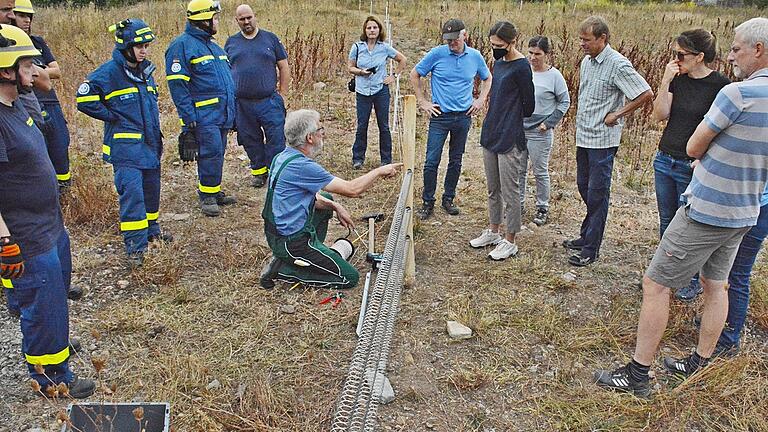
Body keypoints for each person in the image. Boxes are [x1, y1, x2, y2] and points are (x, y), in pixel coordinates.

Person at [594, 17, 768, 397]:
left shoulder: (736, 94)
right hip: (745, 210)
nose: (733, 54)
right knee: (716, 284)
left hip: (707, 207)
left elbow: (693, 146)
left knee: (656, 284)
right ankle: (700, 361)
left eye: (737, 47)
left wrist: (709, 152)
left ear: (759, 50)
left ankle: (638, 373)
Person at [0, 23, 95, 398]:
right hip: (26, 236)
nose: (35, 71)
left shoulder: (17, 103)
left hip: (50, 226)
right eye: (26, 65)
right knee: (42, 306)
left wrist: (37, 82)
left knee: (55, 297)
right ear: (5, 70)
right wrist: (4, 239)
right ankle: (49, 378)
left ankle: (57, 352)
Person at [259, 109, 401, 290]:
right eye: (320, 129)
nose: (323, 133)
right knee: (349, 277)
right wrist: (380, 171)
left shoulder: (283, 156)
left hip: (278, 234)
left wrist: (335, 206)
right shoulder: (303, 166)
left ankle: (311, 253)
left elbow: (309, 197)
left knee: (325, 199)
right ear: (310, 138)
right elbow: (352, 189)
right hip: (291, 241)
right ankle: (285, 270)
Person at [76, 19, 170, 267]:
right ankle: (135, 247)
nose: (144, 50)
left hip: (150, 146)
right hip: (126, 150)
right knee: (133, 196)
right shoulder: (108, 74)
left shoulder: (145, 72)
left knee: (151, 192)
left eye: (146, 46)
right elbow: (84, 99)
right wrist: (111, 116)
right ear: (126, 46)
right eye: (139, 46)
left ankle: (152, 229)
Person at [563, 16, 653, 266]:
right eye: (580, 39)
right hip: (584, 136)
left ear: (603, 38)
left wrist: (618, 113)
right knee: (584, 187)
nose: (582, 44)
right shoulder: (587, 61)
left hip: (603, 141)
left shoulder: (617, 64)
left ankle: (591, 249)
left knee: (598, 194)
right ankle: (586, 235)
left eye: (587, 40)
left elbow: (645, 93)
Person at [650, 29, 729, 302]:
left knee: (690, 225)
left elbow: (722, 129)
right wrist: (665, 81)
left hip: (691, 164)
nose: (676, 59)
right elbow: (659, 116)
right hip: (665, 158)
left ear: (700, 57)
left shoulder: (720, 86)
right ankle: (665, 276)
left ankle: (690, 279)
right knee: (666, 220)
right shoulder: (678, 80)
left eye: (681, 54)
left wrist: (702, 158)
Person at [410, 18, 491, 219]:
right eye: (448, 40)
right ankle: (428, 201)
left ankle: (449, 198)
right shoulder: (437, 54)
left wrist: (480, 99)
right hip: (440, 116)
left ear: (465, 35)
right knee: (431, 161)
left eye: (455, 39)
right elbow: (415, 74)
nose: (452, 43)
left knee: (456, 160)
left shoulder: (475, 56)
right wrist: (423, 101)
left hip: (463, 117)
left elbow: (488, 77)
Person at [469, 21, 534, 261]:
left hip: (510, 137)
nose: (495, 49)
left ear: (511, 42)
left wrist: (511, 116)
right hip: (492, 132)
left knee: (510, 191)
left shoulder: (521, 67)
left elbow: (529, 105)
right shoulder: (499, 63)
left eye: (499, 45)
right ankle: (494, 230)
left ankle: (510, 240)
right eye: (492, 45)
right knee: (492, 189)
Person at [166, 0, 237, 216]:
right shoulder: (182, 46)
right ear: (202, 20)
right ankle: (206, 196)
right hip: (203, 116)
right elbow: (178, 85)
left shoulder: (214, 47)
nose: (217, 21)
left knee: (218, 152)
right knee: (210, 153)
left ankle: (213, 191)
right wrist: (188, 118)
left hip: (222, 114)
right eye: (214, 18)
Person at [224, 4, 289, 188]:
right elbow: (225, 71)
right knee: (250, 139)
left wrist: (283, 94)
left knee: (276, 138)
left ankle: (275, 173)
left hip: (269, 101)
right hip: (242, 104)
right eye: (242, 19)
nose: (246, 22)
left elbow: (283, 66)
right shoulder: (231, 43)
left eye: (249, 17)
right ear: (237, 21)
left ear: (255, 16)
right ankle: (259, 172)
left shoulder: (270, 39)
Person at [13, 0, 72, 189]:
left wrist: (28, 68)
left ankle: (64, 190)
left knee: (60, 146)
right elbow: (49, 72)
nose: (27, 21)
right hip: (29, 103)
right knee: (38, 150)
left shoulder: (37, 42)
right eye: (21, 16)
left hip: (50, 102)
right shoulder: (8, 45)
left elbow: (57, 71)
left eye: (29, 17)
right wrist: (42, 71)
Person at [520, 35, 570, 226]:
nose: (533, 57)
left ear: (546, 54)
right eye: (530, 53)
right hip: (521, 127)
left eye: (538, 54)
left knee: (540, 171)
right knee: (519, 170)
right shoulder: (524, 70)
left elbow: (564, 102)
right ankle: (519, 204)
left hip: (540, 131)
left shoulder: (554, 76)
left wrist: (549, 123)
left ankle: (542, 207)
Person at [347, 15, 407, 169]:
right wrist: (361, 72)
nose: (372, 30)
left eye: (374, 27)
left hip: (380, 91)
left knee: (384, 126)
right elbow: (350, 67)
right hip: (362, 91)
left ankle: (386, 160)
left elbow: (402, 60)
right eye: (369, 28)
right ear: (365, 30)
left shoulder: (384, 47)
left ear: (379, 29)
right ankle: (358, 158)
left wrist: (393, 76)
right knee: (362, 125)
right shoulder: (357, 47)